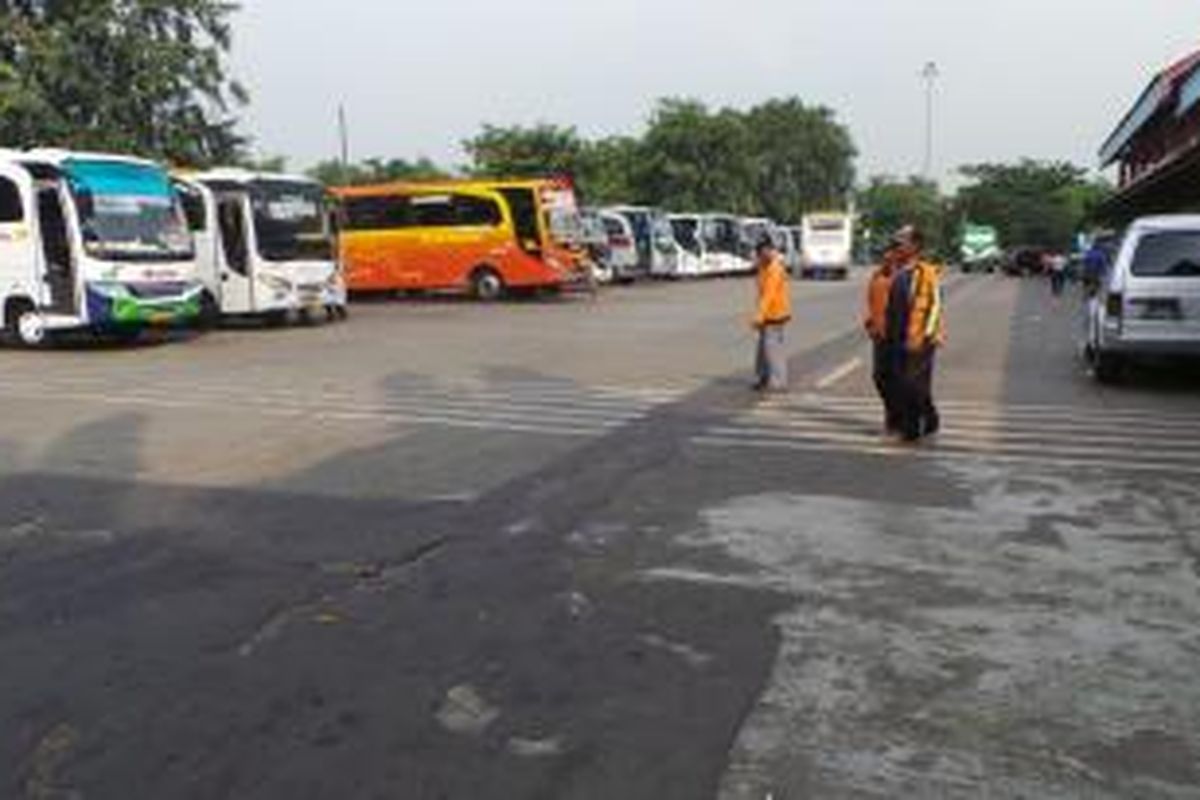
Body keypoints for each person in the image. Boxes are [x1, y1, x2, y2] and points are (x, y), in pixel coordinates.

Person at [884, 226, 945, 442]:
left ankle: (911, 430)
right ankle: (928, 419)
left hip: (921, 338)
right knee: (905, 382)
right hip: (897, 336)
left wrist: (926, 335)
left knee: (911, 383)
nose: (897, 246)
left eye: (902, 242)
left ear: (915, 246)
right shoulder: (897, 270)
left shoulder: (927, 272)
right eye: (897, 243)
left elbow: (936, 305)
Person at [864, 243, 901, 435]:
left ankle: (894, 421)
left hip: (897, 336)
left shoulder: (903, 278)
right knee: (879, 377)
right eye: (884, 258)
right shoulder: (877, 275)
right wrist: (869, 321)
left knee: (896, 379)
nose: (886, 261)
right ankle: (892, 417)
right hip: (879, 334)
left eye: (890, 258)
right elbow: (871, 300)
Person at [751, 236, 792, 392]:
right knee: (762, 349)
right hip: (767, 313)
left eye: (763, 252)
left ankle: (779, 382)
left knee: (772, 350)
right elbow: (762, 293)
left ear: (770, 250)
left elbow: (769, 295)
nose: (761, 256)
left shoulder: (775, 268)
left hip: (776, 314)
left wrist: (758, 316)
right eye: (759, 253)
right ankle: (762, 377)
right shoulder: (763, 266)